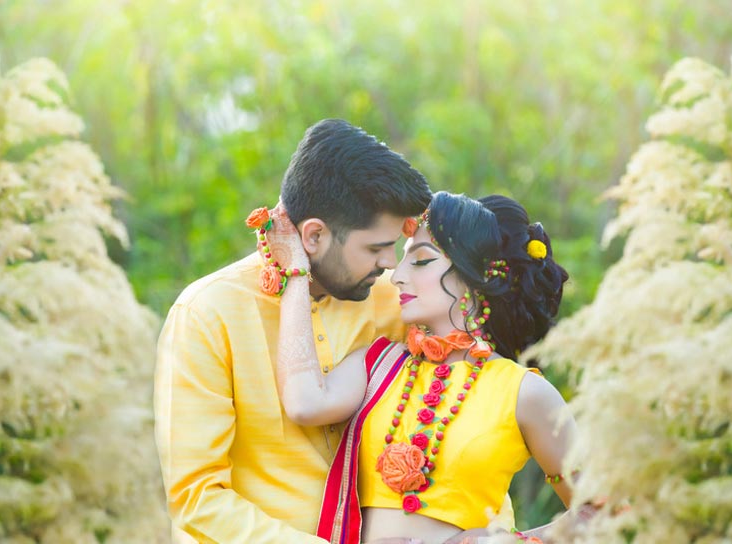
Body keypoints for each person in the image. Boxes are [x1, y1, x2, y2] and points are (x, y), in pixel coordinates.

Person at [154, 118, 434, 543]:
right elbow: (196, 497)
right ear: (315, 235)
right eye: (376, 248)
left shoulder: (393, 302)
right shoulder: (207, 313)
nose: (390, 263)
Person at [270, 191, 577, 544]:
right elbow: (304, 403)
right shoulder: (380, 363)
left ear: (475, 275)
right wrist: (296, 272)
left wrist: (508, 542)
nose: (397, 275)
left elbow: (599, 509)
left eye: (420, 261)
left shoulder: (524, 391)